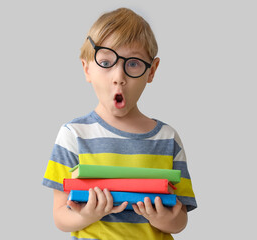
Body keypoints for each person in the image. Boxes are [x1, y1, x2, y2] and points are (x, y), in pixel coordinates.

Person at [42, 7, 197, 240]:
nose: (119, 76)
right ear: (87, 68)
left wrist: (161, 218)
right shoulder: (73, 135)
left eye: (133, 63)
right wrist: (87, 215)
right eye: (106, 62)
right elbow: (60, 216)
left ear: (151, 71)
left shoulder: (167, 138)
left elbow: (180, 218)